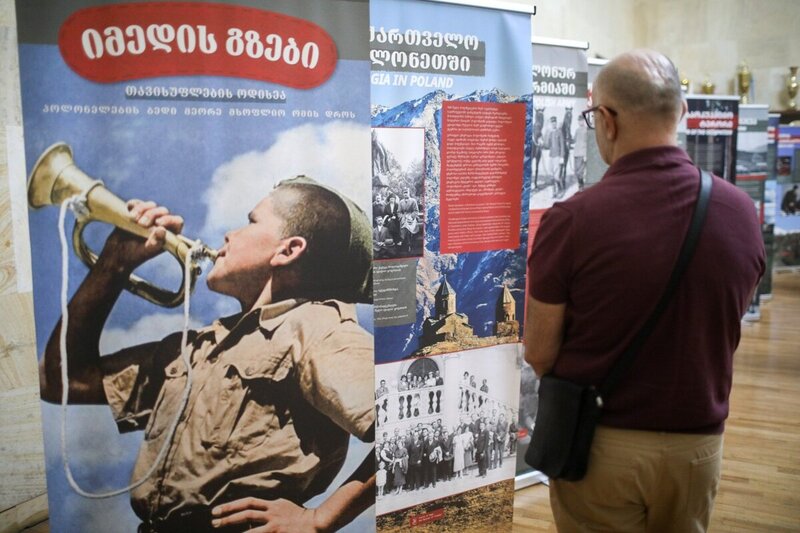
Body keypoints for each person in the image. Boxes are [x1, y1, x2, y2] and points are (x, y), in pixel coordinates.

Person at [39, 176, 376, 533]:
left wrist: (319, 519)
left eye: (251, 221)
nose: (230, 234)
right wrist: (113, 265)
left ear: (288, 250)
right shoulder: (193, 348)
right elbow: (60, 381)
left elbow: (410, 427)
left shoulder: (317, 327)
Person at [525, 49, 765, 533]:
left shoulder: (573, 220)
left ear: (607, 121)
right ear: (680, 113)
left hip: (600, 445)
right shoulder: (739, 212)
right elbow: (724, 321)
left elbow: (540, 352)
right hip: (698, 447)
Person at [544, 115, 566, 196]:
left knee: (557, 176)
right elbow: (547, 145)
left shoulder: (559, 132)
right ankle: (554, 192)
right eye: (552, 122)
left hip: (557, 156)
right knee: (551, 175)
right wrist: (545, 136)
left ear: (556, 123)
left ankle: (559, 190)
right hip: (551, 156)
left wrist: (562, 157)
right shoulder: (550, 133)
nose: (553, 124)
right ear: (551, 123)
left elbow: (562, 145)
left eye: (554, 122)